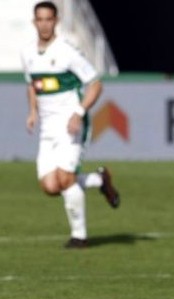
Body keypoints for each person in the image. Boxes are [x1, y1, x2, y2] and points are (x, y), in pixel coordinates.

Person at [21, 1, 120, 249]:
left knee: (66, 178)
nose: (44, 24)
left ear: (56, 21)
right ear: (34, 22)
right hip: (47, 129)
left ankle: (79, 236)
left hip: (71, 124)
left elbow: (95, 84)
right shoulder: (28, 53)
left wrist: (78, 112)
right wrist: (32, 112)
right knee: (50, 186)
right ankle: (99, 180)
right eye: (40, 19)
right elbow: (33, 85)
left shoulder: (67, 51)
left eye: (48, 19)